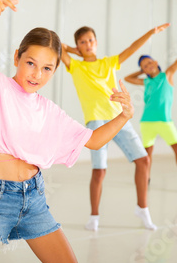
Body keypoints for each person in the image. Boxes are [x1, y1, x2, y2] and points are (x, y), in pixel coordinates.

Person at [0, 0, 136, 263]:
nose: (37, 74)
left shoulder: (49, 111)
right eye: (30, 63)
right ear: (17, 57)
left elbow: (94, 140)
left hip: (34, 199)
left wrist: (123, 116)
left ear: (54, 71)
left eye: (47, 68)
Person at [61, 23, 170, 231]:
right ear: (77, 46)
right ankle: (94, 215)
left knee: (143, 160)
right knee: (100, 171)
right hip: (96, 121)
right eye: (82, 42)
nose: (88, 44)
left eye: (91, 40)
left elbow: (132, 48)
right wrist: (73, 51)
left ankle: (143, 209)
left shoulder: (109, 63)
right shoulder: (75, 66)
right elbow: (54, 43)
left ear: (96, 42)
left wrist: (151, 32)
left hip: (119, 118)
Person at [124, 37, 177, 193]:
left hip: (165, 121)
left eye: (149, 62)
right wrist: (141, 71)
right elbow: (127, 78)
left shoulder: (167, 75)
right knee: (147, 153)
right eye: (144, 66)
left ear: (156, 62)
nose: (148, 66)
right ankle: (146, 178)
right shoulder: (146, 82)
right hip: (147, 122)